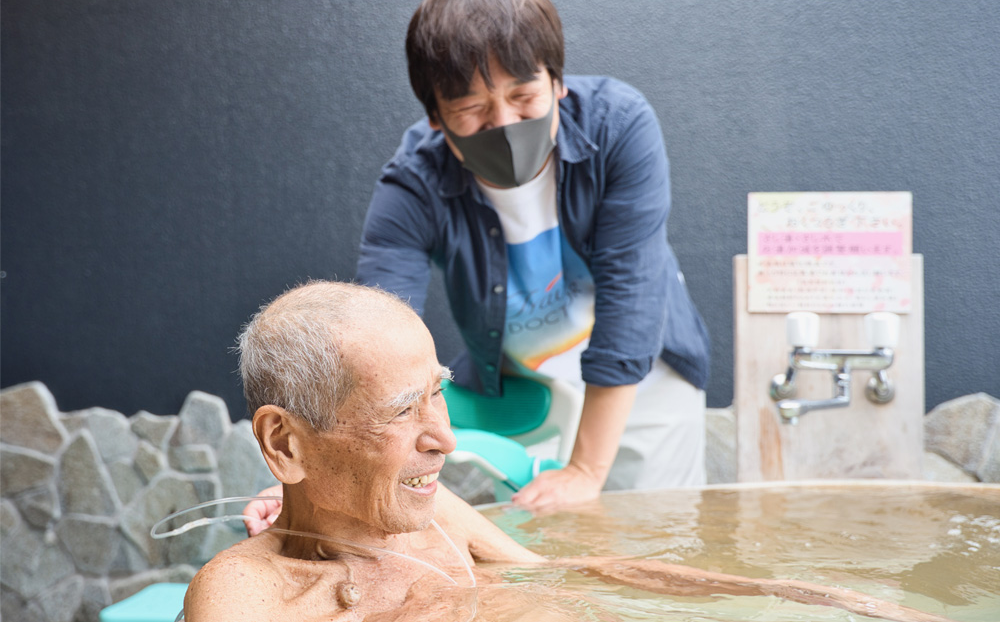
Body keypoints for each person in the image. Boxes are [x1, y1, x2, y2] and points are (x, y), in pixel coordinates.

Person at [185, 281, 952, 622]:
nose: (444, 436)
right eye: (400, 409)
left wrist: (814, 596)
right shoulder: (244, 602)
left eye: (438, 391)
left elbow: (572, 571)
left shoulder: (430, 520)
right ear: (286, 444)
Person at [357, 0, 710, 511]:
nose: (503, 123)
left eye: (523, 95)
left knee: (656, 540)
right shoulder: (414, 183)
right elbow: (377, 332)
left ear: (557, 83)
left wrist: (587, 470)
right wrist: (317, 476)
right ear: (436, 116)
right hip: (524, 392)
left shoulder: (618, 126)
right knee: (540, 559)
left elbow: (631, 287)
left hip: (643, 384)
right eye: (472, 109)